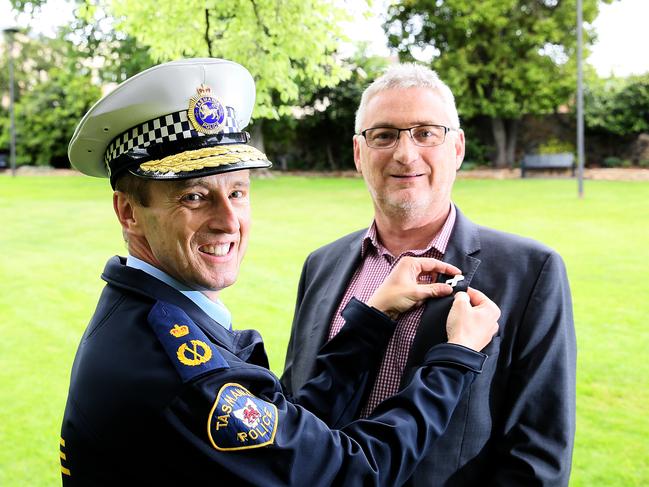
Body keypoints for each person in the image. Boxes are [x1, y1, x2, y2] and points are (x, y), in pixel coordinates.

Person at [59, 58, 500, 485]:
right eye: (194, 196)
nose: (228, 220)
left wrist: (373, 318)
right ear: (129, 211)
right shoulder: (182, 369)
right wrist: (455, 359)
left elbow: (293, 432)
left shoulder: (145, 314)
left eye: (238, 191)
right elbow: (347, 474)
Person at [282, 63, 577, 486]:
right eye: (383, 135)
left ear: (456, 148)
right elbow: (296, 406)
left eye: (426, 133)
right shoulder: (322, 264)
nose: (405, 153)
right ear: (357, 152)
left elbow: (538, 456)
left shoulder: (530, 272)